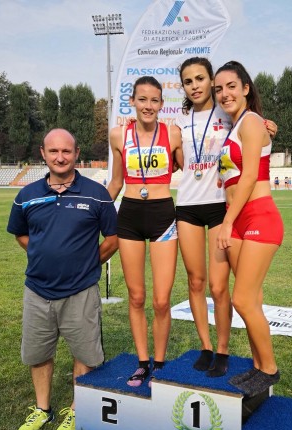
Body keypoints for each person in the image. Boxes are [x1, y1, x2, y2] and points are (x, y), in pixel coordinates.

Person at [8, 129, 118, 430]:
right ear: (42, 153)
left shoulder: (96, 193)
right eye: (53, 151)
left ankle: (75, 407)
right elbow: (20, 234)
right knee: (39, 353)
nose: (60, 157)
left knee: (83, 352)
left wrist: (85, 263)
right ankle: (42, 409)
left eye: (66, 151)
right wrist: (44, 255)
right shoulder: (26, 195)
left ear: (76, 153)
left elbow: (113, 239)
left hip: (80, 289)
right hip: (37, 290)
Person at [176, 57, 278, 377]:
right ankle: (209, 348)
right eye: (188, 81)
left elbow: (256, 142)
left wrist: (267, 126)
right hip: (192, 205)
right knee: (198, 282)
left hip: (225, 210)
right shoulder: (180, 122)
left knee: (230, 291)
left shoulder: (233, 115)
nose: (197, 86)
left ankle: (233, 354)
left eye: (203, 80)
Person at [107, 76, 183, 387]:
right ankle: (142, 362)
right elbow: (115, 182)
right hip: (129, 216)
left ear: (161, 104)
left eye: (154, 100)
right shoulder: (118, 135)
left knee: (161, 300)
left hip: (163, 214)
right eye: (143, 99)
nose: (148, 105)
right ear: (133, 102)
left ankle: (160, 364)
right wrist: (93, 213)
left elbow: (193, 167)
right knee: (136, 297)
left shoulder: (174, 133)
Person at [214, 61, 283, 397]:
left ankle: (269, 369)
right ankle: (257, 367)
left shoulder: (252, 121)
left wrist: (226, 223)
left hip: (257, 216)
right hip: (238, 215)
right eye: (218, 89)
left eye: (230, 86)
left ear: (245, 88)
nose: (224, 93)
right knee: (251, 297)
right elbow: (231, 174)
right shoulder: (235, 126)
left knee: (241, 297)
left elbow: (252, 174)